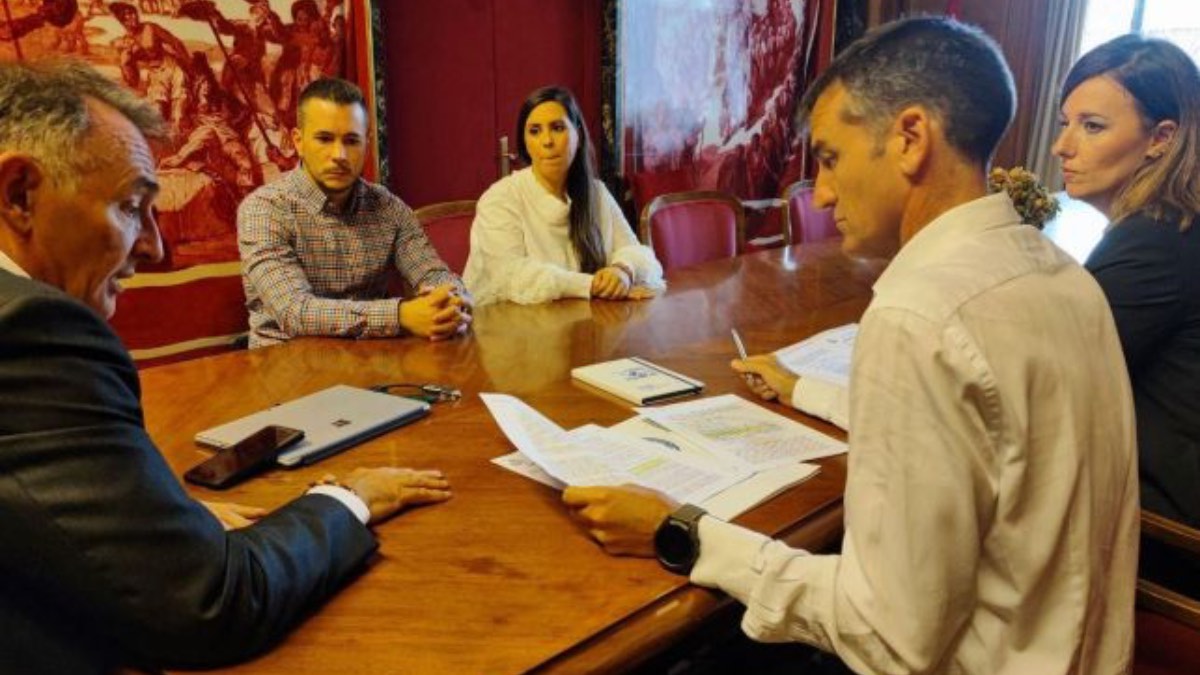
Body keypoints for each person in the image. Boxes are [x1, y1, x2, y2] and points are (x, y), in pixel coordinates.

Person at [562, 18, 1138, 674]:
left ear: (912, 137)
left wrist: (685, 532)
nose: (823, 190)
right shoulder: (1061, 274)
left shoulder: (915, 315)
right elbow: (990, 439)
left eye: (831, 157)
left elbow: (885, 635)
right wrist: (803, 388)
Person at [0, 60, 453, 673]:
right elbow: (212, 601)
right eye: (133, 206)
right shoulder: (34, 336)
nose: (156, 247)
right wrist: (350, 498)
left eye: (352, 139)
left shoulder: (389, 207)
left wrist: (141, 514)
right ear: (20, 195)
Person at [1052, 35, 1200, 528]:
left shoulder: (1154, 242)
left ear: (1162, 138)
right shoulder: (1174, 224)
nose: (1062, 146)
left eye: (1091, 127)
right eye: (1064, 124)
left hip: (1164, 529)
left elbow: (1048, 385)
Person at [238, 77, 471, 348]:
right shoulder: (264, 209)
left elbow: (431, 272)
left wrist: (452, 298)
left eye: (351, 140)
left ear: (367, 143)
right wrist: (401, 315)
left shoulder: (389, 208)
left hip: (374, 360)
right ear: (298, 142)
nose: (339, 154)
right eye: (324, 139)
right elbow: (295, 312)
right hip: (286, 366)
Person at [462, 86, 664, 306]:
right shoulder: (500, 198)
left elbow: (641, 255)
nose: (547, 141)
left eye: (557, 128)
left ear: (577, 134)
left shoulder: (597, 193)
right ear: (525, 143)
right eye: (535, 131)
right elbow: (512, 276)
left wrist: (623, 270)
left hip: (580, 322)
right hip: (504, 329)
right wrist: (593, 284)